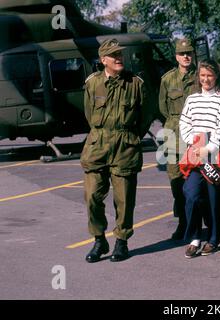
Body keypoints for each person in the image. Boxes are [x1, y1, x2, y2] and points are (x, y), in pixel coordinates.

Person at [81, 38, 147, 263]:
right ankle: (99, 240)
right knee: (92, 196)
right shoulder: (92, 83)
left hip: (124, 146)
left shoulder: (135, 83)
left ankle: (121, 241)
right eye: (113, 55)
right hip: (98, 144)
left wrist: (130, 136)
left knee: (125, 199)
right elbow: (89, 115)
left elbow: (144, 117)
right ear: (103, 60)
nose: (119, 58)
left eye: (120, 54)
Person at [179, 59, 220, 258]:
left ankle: (213, 239)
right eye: (202, 75)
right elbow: (184, 123)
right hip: (196, 152)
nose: (206, 79)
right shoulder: (192, 98)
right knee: (191, 193)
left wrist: (209, 147)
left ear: (216, 76)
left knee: (214, 199)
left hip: (217, 153)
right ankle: (195, 237)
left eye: (209, 75)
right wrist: (193, 144)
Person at [159, 38, 199, 240]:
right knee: (177, 184)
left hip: (196, 137)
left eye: (189, 53)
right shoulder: (167, 79)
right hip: (174, 138)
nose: (186, 56)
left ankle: (197, 222)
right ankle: (183, 221)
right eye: (182, 53)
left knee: (197, 183)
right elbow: (163, 108)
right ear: (176, 56)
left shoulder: (201, 77)